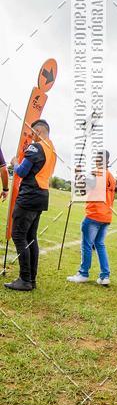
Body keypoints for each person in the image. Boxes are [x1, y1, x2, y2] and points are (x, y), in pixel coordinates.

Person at [5, 119, 57, 292]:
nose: (30, 136)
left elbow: (21, 171)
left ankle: (25, 279)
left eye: (32, 132)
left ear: (39, 131)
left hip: (29, 195)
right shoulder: (52, 149)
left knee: (19, 236)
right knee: (31, 237)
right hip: (42, 195)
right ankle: (31, 279)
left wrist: (14, 162)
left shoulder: (36, 147)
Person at [67, 150, 116, 285]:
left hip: (94, 214)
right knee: (100, 245)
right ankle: (105, 276)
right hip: (106, 216)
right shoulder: (111, 177)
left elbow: (81, 188)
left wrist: (78, 173)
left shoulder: (96, 174)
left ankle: (83, 273)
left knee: (87, 245)